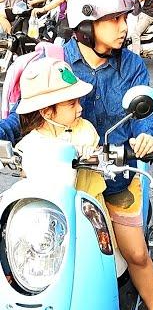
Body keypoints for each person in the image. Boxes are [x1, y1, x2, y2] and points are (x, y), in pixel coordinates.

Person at [0, 0, 153, 310]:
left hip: (116, 177)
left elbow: (144, 113)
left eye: (125, 19)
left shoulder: (132, 64)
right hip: (63, 183)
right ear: (87, 24)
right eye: (114, 20)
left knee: (136, 253)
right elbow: (25, 113)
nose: (124, 28)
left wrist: (145, 140)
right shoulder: (55, 60)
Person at [14, 57, 116, 251]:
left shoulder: (84, 129)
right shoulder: (32, 140)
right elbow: (25, 171)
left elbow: (90, 146)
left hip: (87, 210)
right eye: (72, 104)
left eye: (78, 102)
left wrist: (88, 152)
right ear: (46, 112)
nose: (80, 108)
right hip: (49, 216)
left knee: (98, 253)